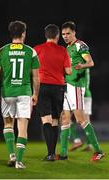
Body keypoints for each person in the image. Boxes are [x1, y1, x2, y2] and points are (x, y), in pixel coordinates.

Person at [0, 20, 40, 169]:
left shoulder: (2, 51)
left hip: (7, 93)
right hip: (24, 93)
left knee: (8, 124)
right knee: (22, 127)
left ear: (11, 34)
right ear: (23, 34)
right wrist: (35, 94)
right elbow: (36, 77)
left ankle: (11, 155)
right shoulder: (31, 51)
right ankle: (19, 161)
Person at [57, 21, 104, 161]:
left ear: (74, 33)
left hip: (76, 86)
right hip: (67, 86)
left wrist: (81, 65)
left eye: (68, 34)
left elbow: (91, 62)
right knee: (65, 118)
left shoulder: (80, 45)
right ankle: (64, 153)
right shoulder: (67, 47)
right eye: (63, 34)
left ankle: (98, 151)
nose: (65, 36)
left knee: (80, 118)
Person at [34, 24, 71, 161]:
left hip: (42, 86)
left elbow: (31, 70)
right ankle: (52, 153)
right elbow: (68, 71)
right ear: (57, 36)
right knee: (55, 121)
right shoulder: (62, 50)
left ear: (46, 35)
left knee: (46, 120)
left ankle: (50, 154)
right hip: (58, 87)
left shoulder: (37, 49)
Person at [70, 68, 93, 151]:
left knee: (66, 116)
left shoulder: (77, 64)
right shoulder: (86, 65)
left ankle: (76, 140)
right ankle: (90, 144)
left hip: (79, 93)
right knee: (87, 120)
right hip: (87, 94)